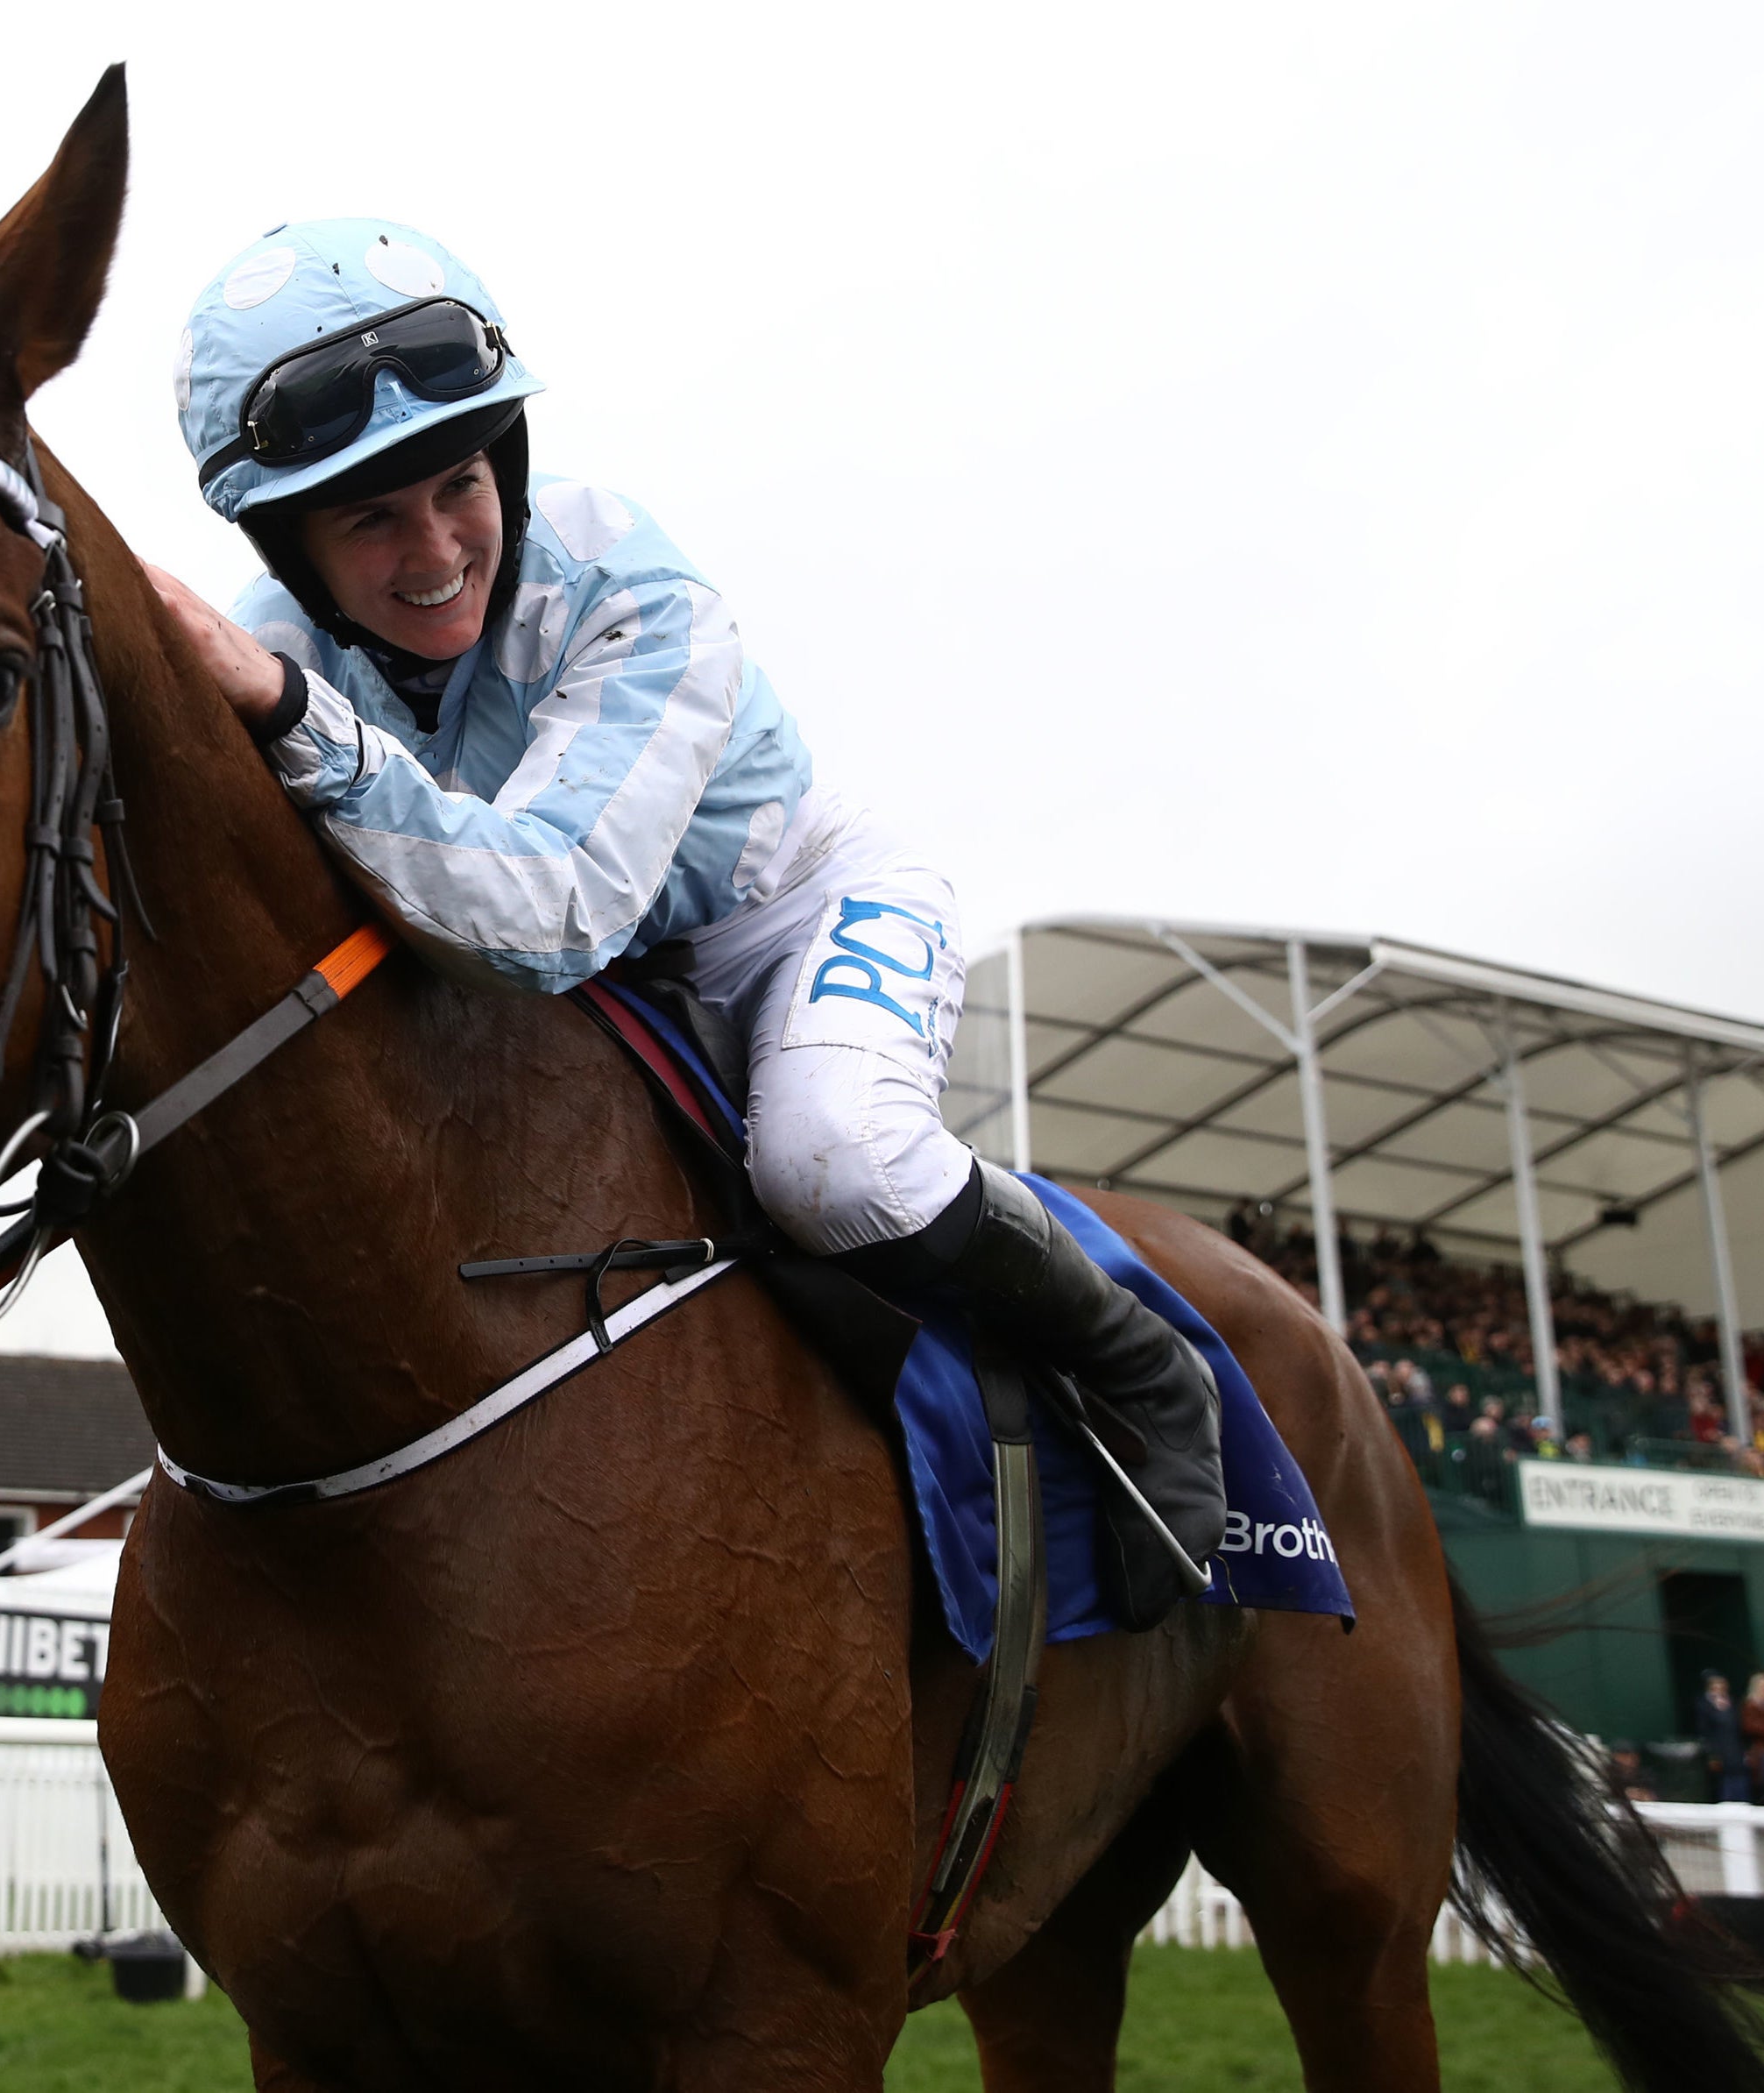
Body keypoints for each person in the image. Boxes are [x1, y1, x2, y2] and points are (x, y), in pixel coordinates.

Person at [147, 221, 1229, 1619]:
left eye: (459, 485)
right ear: (285, 547)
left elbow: (545, 910)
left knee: (834, 1160)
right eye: (369, 518)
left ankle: (1140, 1364)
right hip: (583, 977)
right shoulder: (271, 641)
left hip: (784, 913)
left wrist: (299, 725)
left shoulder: (631, 589)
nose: (433, 552)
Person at [1693, 1672, 1747, 1805]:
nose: (1720, 1688)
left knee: (1741, 1783)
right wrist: (1712, 1755)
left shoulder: (1733, 1703)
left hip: (1736, 1751)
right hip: (1719, 1752)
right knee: (1723, 1785)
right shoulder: (1703, 1705)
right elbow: (1704, 1731)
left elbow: (1740, 1728)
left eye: (1722, 1685)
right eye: (1716, 1685)